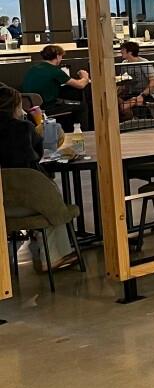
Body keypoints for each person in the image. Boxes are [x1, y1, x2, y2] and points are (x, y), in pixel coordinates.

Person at [0, 85, 78, 272]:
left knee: (48, 199)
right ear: (14, 108)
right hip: (28, 201)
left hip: (3, 203)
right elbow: (37, 154)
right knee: (50, 202)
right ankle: (54, 257)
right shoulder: (22, 129)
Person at [22, 45, 92, 128]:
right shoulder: (55, 71)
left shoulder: (33, 68)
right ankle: (84, 134)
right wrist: (85, 77)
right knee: (81, 106)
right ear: (58, 56)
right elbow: (80, 85)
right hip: (46, 106)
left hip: (29, 106)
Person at [117, 41, 154, 118]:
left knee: (123, 107)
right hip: (131, 93)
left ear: (129, 52)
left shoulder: (144, 63)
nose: (120, 51)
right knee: (116, 101)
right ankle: (130, 120)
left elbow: (153, 82)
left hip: (146, 94)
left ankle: (133, 119)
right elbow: (122, 81)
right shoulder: (124, 63)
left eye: (123, 49)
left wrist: (142, 95)